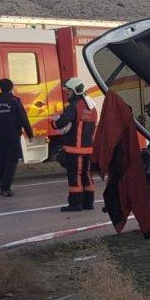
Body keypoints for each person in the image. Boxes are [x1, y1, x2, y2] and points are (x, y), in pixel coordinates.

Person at [92, 90, 150, 238]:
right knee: (137, 194)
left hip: (122, 160)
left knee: (130, 193)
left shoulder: (113, 105)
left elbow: (107, 136)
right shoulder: (118, 107)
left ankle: (147, 229)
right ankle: (148, 229)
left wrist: (98, 161)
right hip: (127, 159)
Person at [53, 77, 97, 211]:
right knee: (86, 174)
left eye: (69, 91)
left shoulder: (74, 107)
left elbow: (61, 122)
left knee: (75, 176)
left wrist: (54, 122)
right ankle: (88, 203)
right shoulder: (91, 107)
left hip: (74, 148)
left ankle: (75, 203)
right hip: (87, 148)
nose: (67, 94)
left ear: (76, 91)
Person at [0, 78, 33, 197]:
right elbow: (23, 118)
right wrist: (30, 133)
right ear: (11, 88)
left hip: (0, 137)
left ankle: (3, 186)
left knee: (3, 161)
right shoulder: (15, 101)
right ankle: (6, 188)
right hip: (13, 136)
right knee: (12, 162)